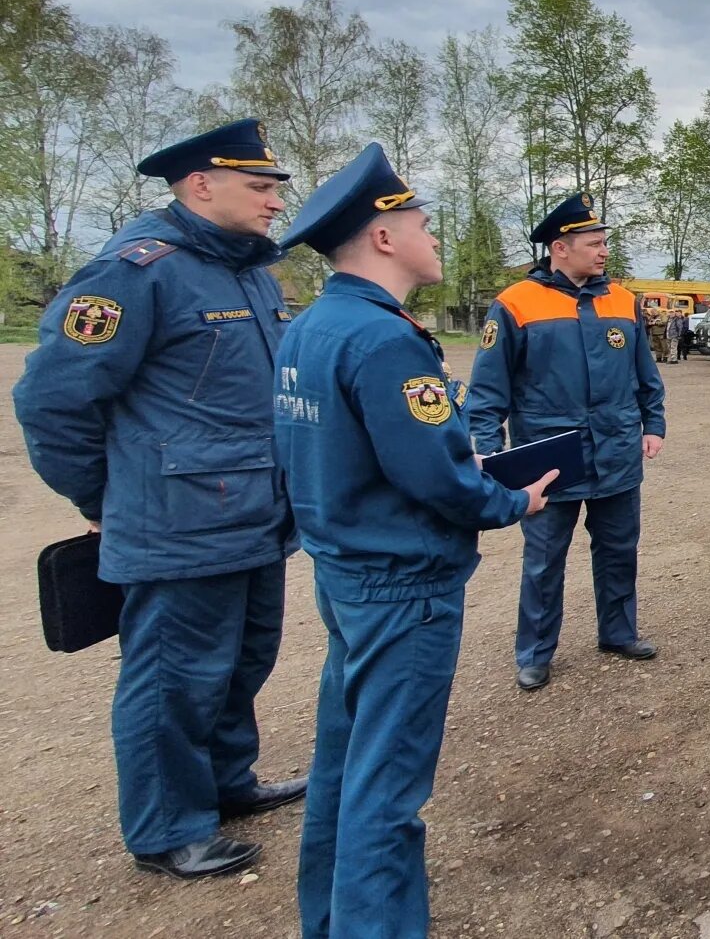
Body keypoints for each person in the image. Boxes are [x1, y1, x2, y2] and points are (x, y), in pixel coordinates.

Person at [273, 143, 557, 938]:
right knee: (388, 790)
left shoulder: (311, 327)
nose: (435, 237)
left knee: (343, 768)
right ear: (386, 236)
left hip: (347, 571)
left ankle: (329, 920)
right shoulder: (386, 340)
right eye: (423, 223)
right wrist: (509, 500)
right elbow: (435, 473)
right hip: (402, 583)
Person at [14, 118, 304, 880]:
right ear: (201, 184)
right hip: (176, 523)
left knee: (244, 660)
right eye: (260, 186)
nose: (276, 202)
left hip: (255, 514)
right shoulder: (134, 272)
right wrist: (101, 497)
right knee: (174, 677)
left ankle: (225, 785)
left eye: (275, 188)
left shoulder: (248, 271)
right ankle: (167, 826)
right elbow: (53, 398)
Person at [466, 192, 666, 692]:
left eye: (604, 243)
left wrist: (653, 422)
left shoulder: (621, 300)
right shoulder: (515, 303)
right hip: (548, 460)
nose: (603, 252)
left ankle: (618, 633)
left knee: (620, 549)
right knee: (543, 559)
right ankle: (534, 653)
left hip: (617, 452)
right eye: (594, 243)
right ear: (561, 247)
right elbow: (488, 392)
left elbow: (646, 374)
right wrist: (486, 453)